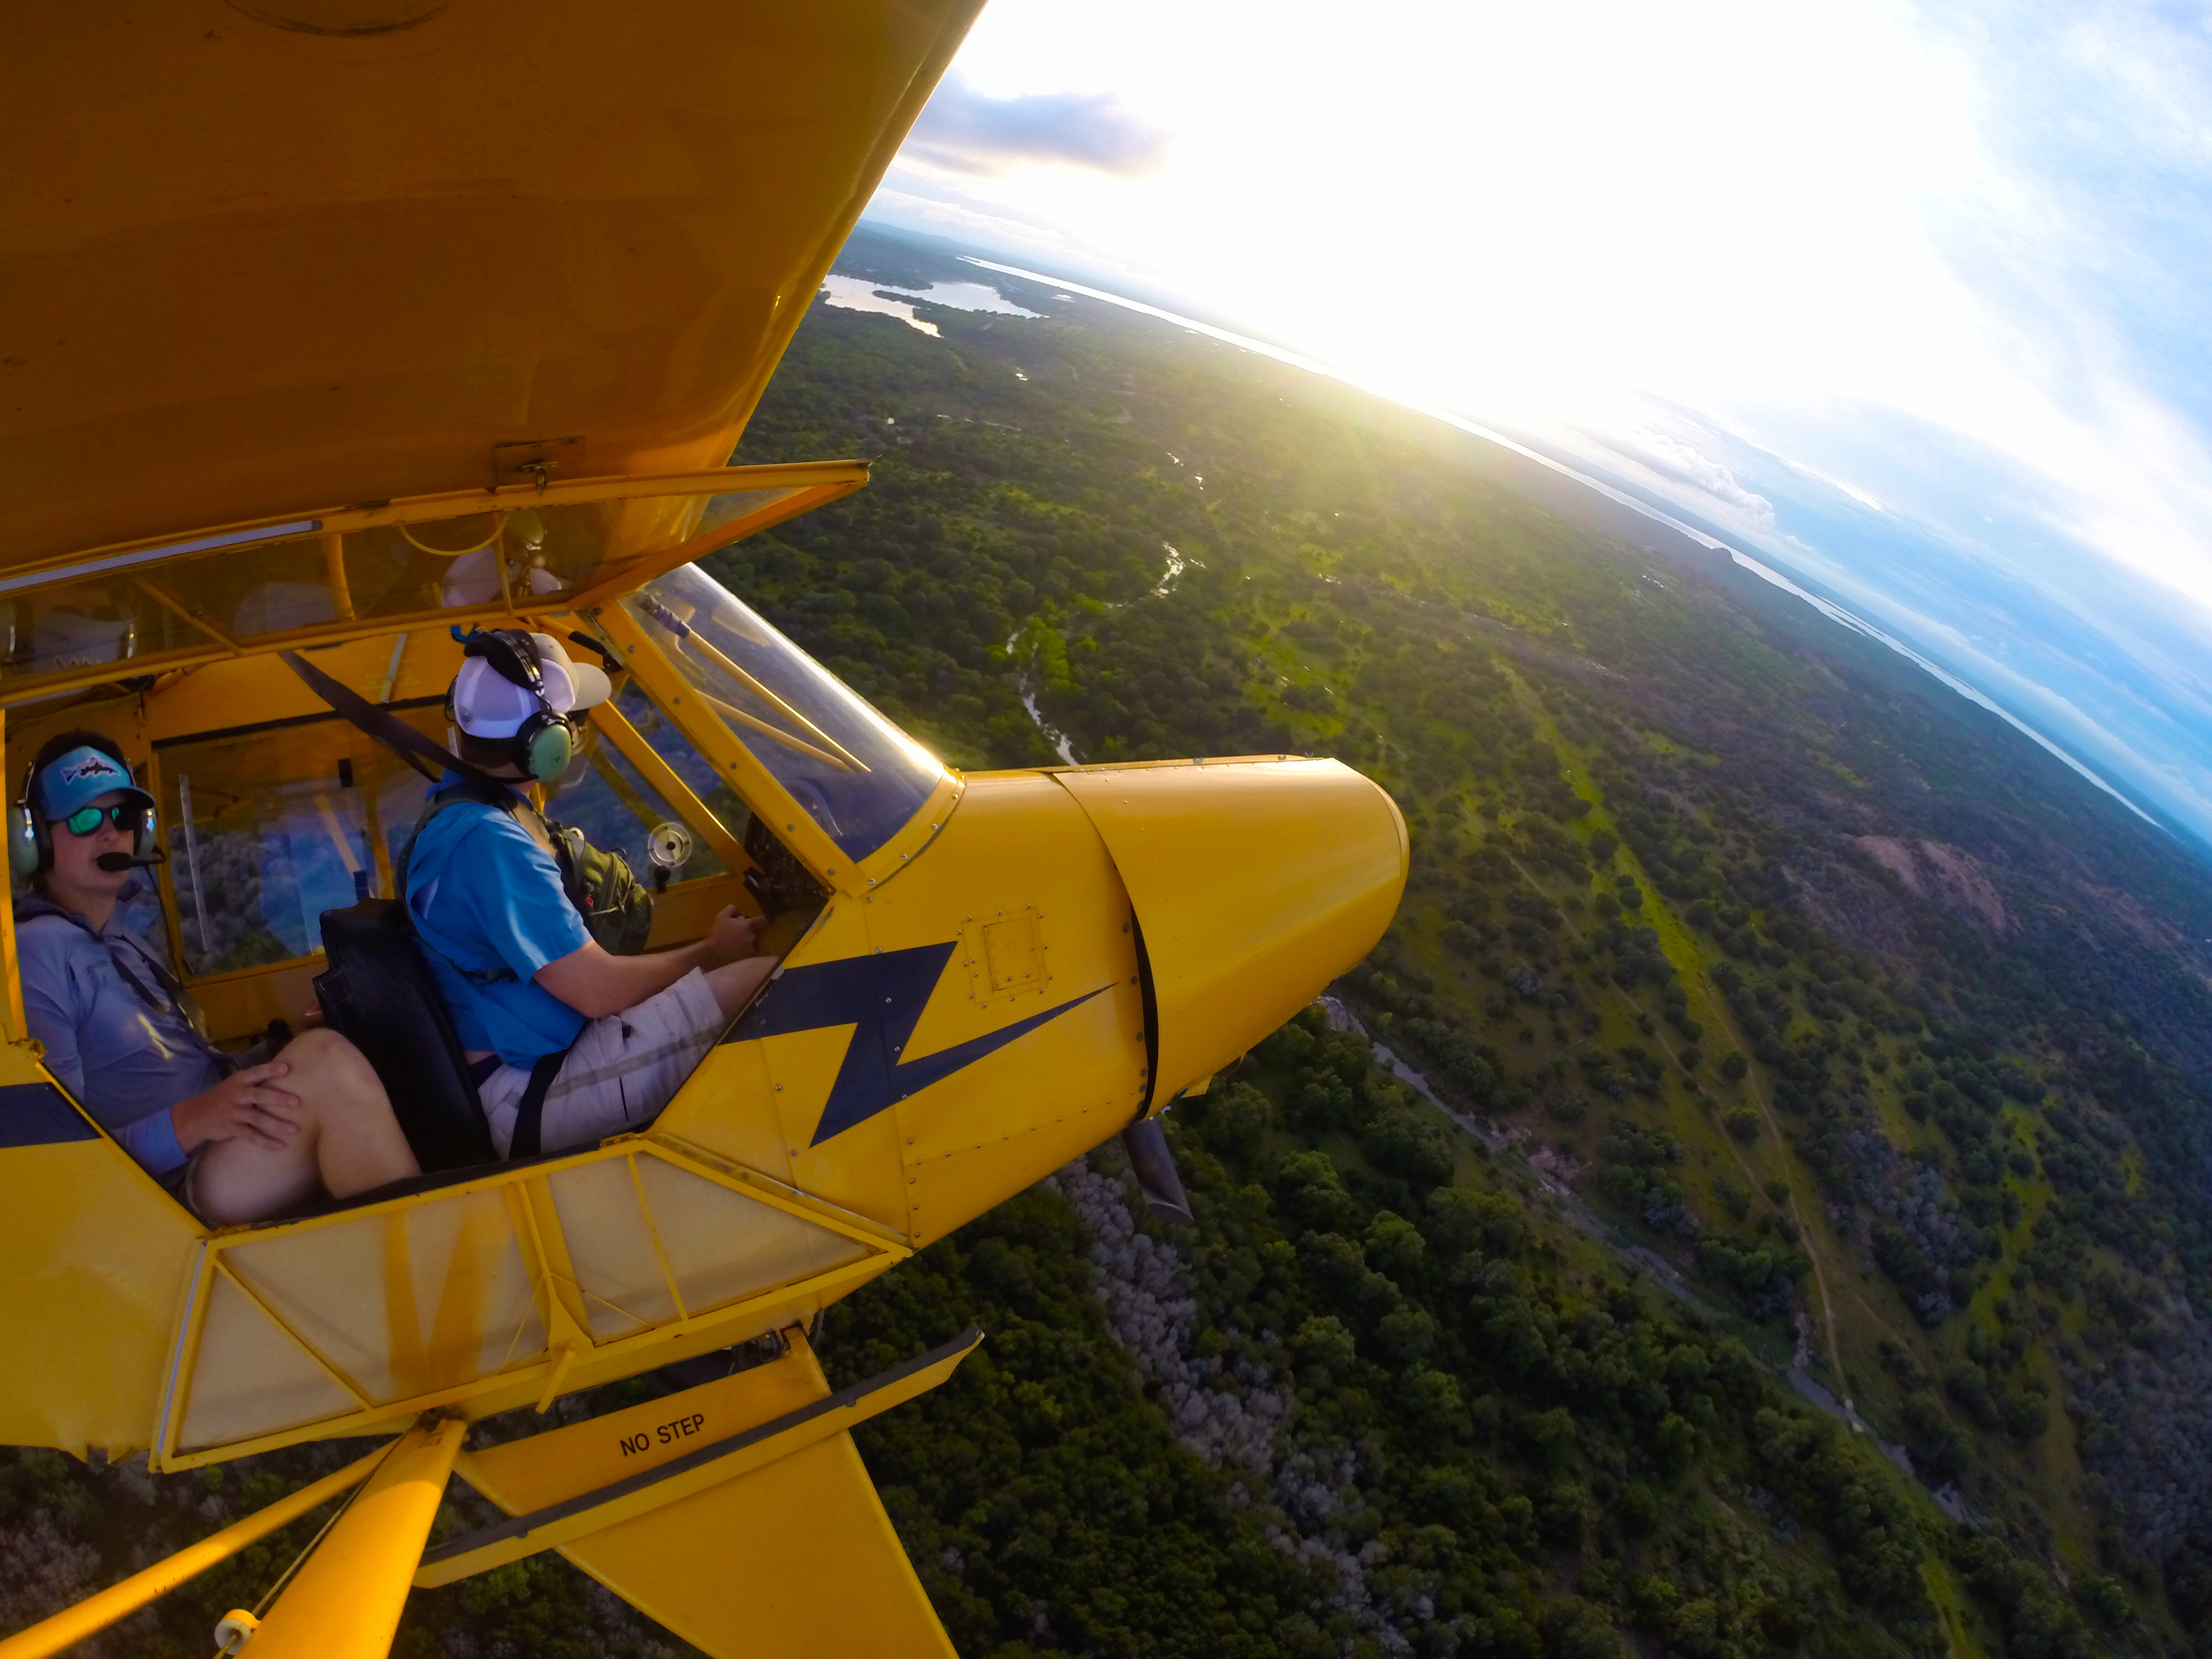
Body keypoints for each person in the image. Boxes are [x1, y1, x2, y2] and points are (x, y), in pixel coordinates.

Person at [13, 731, 420, 1224]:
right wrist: (190, 1122)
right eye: (83, 819)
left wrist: (273, 1051)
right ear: (32, 841)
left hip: (213, 1153)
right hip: (158, 1195)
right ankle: (431, 1263)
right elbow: (58, 1148)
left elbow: (193, 1073)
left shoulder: (122, 941)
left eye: (122, 817)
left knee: (333, 1042)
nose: (109, 833)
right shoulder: (34, 956)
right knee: (327, 1066)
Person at [405, 630, 776, 1159]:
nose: (577, 734)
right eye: (571, 724)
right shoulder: (490, 842)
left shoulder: (460, 805)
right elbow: (597, 992)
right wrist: (710, 952)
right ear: (547, 744)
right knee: (760, 979)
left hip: (511, 1064)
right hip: (521, 1090)